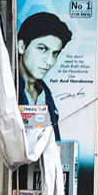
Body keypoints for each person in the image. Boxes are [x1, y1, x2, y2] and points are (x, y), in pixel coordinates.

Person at [17, 12, 72, 140]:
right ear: (21, 46)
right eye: (42, 49)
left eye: (55, 53)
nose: (49, 61)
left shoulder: (45, 94)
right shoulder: (9, 90)